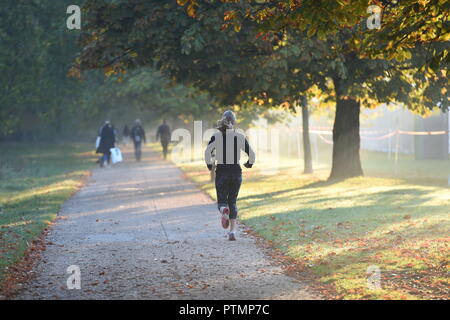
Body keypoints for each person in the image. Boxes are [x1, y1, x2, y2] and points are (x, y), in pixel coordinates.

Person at [205, 111, 255, 241]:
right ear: (234, 122)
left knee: (222, 201)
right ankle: (232, 231)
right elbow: (251, 153)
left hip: (222, 172)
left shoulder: (216, 136)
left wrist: (210, 165)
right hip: (235, 172)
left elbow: (207, 152)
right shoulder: (239, 136)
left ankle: (223, 211)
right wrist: (249, 163)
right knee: (233, 201)